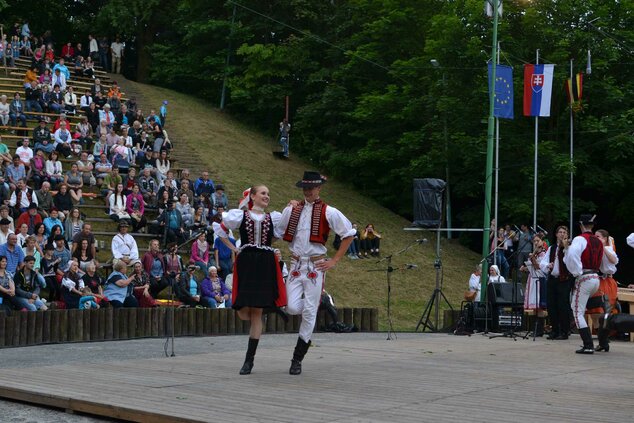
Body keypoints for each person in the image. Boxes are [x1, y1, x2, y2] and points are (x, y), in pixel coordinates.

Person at [279, 171, 355, 375]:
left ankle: (297, 358)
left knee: (309, 312)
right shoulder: (294, 209)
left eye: (311, 187)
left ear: (319, 188)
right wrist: (288, 209)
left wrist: (334, 260)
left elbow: (348, 234)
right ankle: (322, 302)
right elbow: (279, 229)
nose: (308, 191)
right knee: (292, 307)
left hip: (315, 265)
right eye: (305, 188)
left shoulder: (329, 211)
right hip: (295, 265)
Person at [212, 185, 287, 375]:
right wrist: (234, 248)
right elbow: (220, 231)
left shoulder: (273, 218)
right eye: (263, 193)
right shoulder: (241, 216)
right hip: (247, 263)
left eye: (268, 194)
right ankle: (270, 308)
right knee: (243, 311)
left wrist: (266, 242)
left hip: (265, 263)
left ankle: (249, 360)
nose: (266, 196)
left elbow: (279, 235)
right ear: (252, 196)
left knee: (256, 313)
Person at [563, 214, 604, 354]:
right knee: (592, 309)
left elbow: (573, 255)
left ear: (581, 225)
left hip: (585, 278)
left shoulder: (580, 239)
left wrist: (576, 271)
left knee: (577, 311)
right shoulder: (598, 241)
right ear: (592, 225)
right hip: (596, 278)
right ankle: (603, 342)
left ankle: (588, 345)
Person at [591, 229, 619, 353]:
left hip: (607, 281)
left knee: (607, 311)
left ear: (605, 239)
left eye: (598, 237)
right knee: (595, 312)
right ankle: (601, 340)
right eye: (595, 236)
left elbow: (614, 261)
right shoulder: (594, 249)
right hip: (597, 280)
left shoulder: (609, 249)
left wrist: (604, 247)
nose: (596, 238)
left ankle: (604, 339)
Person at [521, 233, 547, 336]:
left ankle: (539, 330)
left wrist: (532, 259)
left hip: (540, 280)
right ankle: (534, 329)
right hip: (532, 279)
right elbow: (532, 267)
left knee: (539, 304)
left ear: (542, 241)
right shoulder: (535, 254)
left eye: (538, 241)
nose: (536, 243)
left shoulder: (544, 254)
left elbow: (538, 267)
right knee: (533, 305)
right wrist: (525, 268)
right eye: (534, 241)